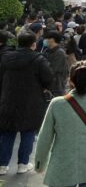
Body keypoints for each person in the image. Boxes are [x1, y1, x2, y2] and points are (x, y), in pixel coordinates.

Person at [34, 60, 86, 186]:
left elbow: (45, 137)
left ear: (70, 80)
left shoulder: (57, 104)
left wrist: (40, 163)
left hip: (61, 167)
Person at [0, 32, 53, 176]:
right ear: (33, 44)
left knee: (7, 133)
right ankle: (23, 164)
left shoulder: (5, 58)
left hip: (8, 100)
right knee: (28, 133)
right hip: (31, 102)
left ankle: (2, 165)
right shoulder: (39, 60)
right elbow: (48, 79)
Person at [43, 31, 69, 97]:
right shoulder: (47, 51)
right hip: (49, 83)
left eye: (48, 38)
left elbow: (54, 69)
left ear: (52, 39)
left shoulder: (60, 52)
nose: (46, 40)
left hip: (57, 84)